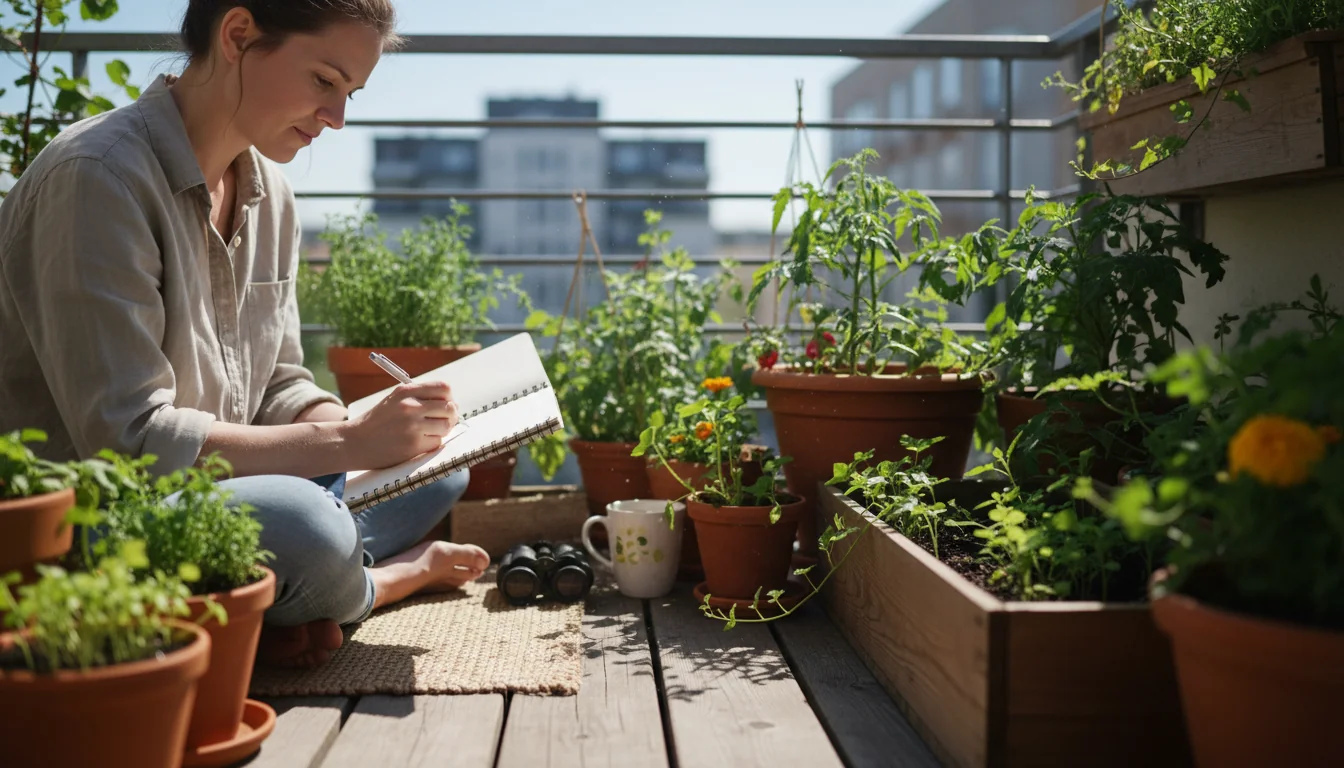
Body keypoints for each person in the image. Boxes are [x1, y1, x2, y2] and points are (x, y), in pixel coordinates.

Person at [0, 0, 490, 668]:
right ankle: (379, 581)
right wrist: (344, 443)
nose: (338, 118)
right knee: (307, 524)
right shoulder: (97, 177)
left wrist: (363, 430)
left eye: (349, 93)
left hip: (231, 489)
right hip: (102, 525)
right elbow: (130, 445)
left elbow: (280, 380)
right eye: (324, 80)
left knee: (439, 472)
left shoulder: (271, 193)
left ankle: (284, 599)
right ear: (238, 34)